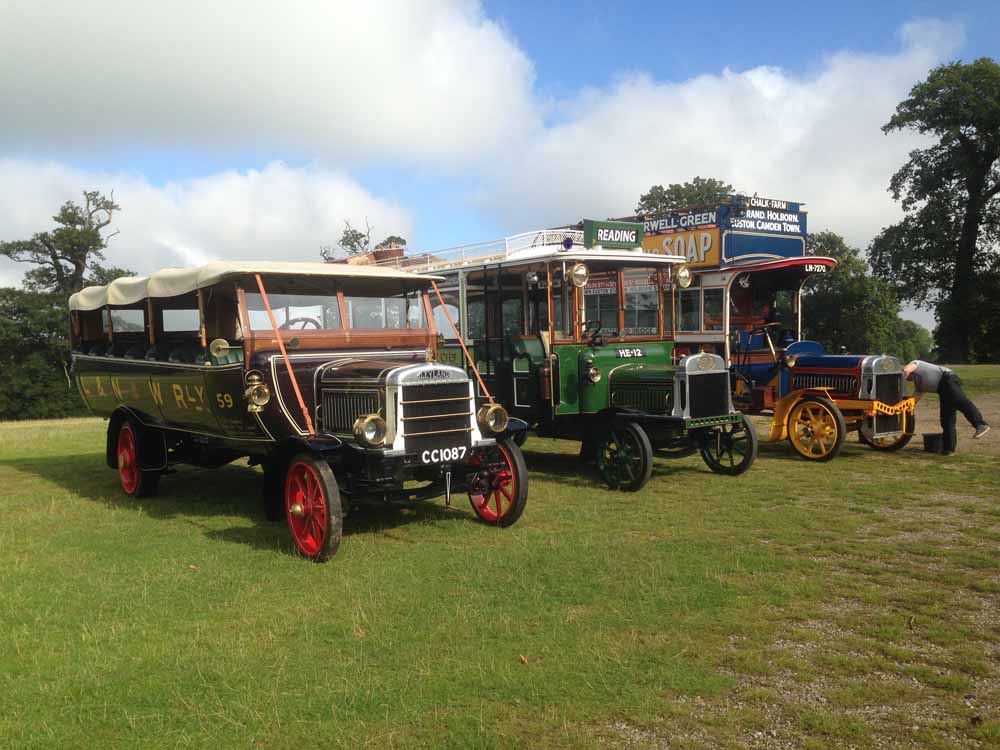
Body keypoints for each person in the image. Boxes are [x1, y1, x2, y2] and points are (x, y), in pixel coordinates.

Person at [904, 360, 990, 454]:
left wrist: (901, 378)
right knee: (946, 418)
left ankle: (980, 424)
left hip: (947, 378)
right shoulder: (919, 385)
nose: (908, 380)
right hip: (942, 390)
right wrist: (904, 408)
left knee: (960, 402)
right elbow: (914, 399)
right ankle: (948, 449)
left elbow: (906, 369)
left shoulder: (915, 363)